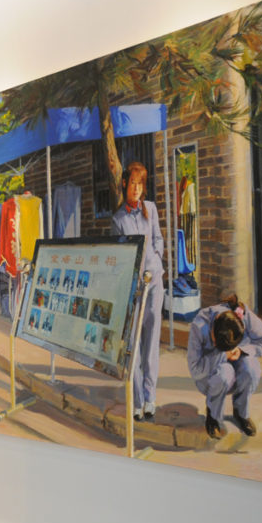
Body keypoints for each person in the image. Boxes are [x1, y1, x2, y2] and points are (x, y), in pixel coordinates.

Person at [112, 162, 165, 421]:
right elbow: (120, 255)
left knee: (151, 341)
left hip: (154, 284)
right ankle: (137, 399)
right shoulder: (118, 219)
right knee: (133, 343)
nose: (136, 188)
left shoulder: (150, 209)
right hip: (134, 289)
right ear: (125, 184)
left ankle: (150, 397)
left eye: (140, 184)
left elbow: (158, 238)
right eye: (132, 183)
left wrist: (157, 260)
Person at [187, 294, 262, 439]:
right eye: (214, 342)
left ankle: (241, 413)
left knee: (251, 367)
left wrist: (241, 350)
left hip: (237, 368)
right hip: (209, 377)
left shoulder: (242, 314)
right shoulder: (199, 324)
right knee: (225, 373)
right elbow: (195, 369)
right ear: (213, 327)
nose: (214, 344)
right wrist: (223, 355)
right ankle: (213, 416)